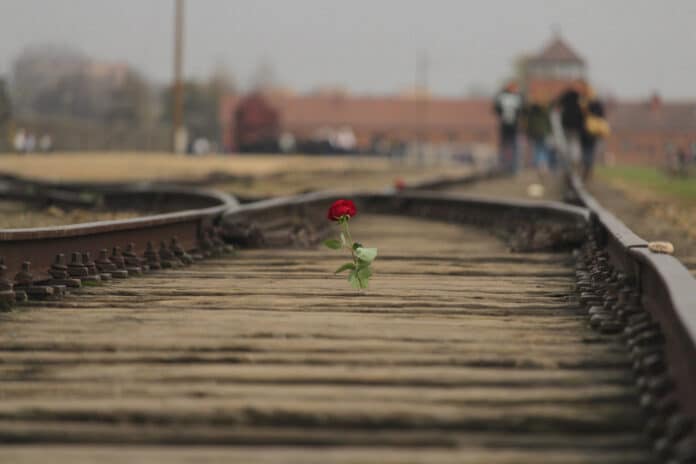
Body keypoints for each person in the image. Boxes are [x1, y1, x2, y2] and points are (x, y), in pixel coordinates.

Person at [493, 82, 523, 173]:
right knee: (506, 146)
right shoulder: (512, 97)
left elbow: (496, 108)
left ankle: (512, 166)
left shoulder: (504, 96)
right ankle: (504, 165)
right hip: (506, 125)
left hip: (512, 125)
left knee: (512, 146)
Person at [580, 86, 609, 180]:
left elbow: (580, 117)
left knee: (586, 150)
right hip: (593, 132)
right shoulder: (597, 104)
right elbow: (602, 116)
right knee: (590, 150)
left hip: (586, 131)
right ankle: (588, 167)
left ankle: (586, 166)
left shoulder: (584, 103)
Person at [557, 86, 584, 171]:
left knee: (568, 145)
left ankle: (569, 162)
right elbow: (581, 118)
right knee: (575, 144)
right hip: (576, 129)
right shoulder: (578, 105)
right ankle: (574, 160)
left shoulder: (566, 106)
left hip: (567, 128)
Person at [524, 97, 552, 179]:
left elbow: (529, 122)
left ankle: (539, 167)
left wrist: (528, 132)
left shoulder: (531, 110)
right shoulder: (545, 110)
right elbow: (549, 122)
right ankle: (544, 167)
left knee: (537, 149)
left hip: (535, 133)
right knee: (544, 149)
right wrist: (550, 131)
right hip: (544, 132)